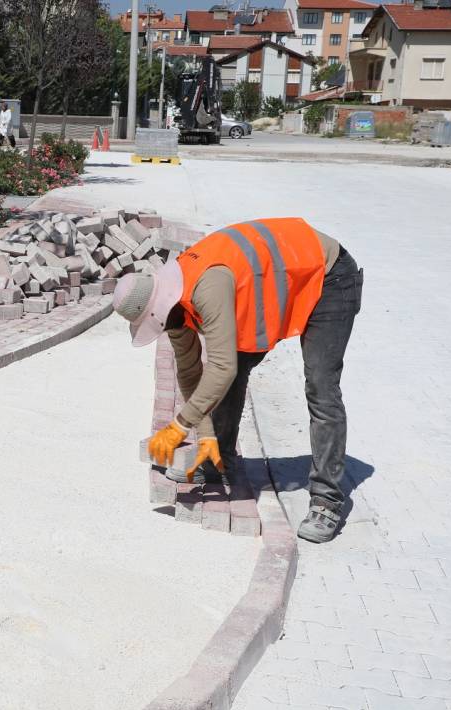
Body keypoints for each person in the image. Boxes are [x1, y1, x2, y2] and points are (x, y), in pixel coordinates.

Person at [112, 218, 363, 543]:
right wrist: (205, 438)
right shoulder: (175, 307)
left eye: (157, 323)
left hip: (328, 275)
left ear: (162, 307)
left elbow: (221, 368)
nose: (162, 329)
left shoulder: (206, 286)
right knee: (233, 365)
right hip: (279, 282)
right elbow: (190, 373)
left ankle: (327, 501)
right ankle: (220, 457)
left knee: (320, 386)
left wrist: (179, 426)